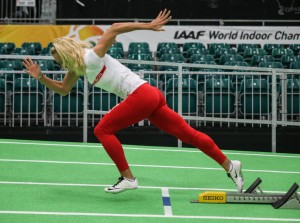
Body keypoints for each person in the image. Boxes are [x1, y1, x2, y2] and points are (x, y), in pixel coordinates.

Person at [22, 9, 244, 194]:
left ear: (68, 54)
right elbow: (63, 89)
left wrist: (149, 26)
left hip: (141, 95)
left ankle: (128, 178)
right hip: (149, 97)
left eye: (60, 61)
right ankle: (230, 165)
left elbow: (115, 28)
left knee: (102, 129)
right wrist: (41, 77)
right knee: (187, 134)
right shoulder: (78, 69)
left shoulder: (91, 56)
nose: (61, 66)